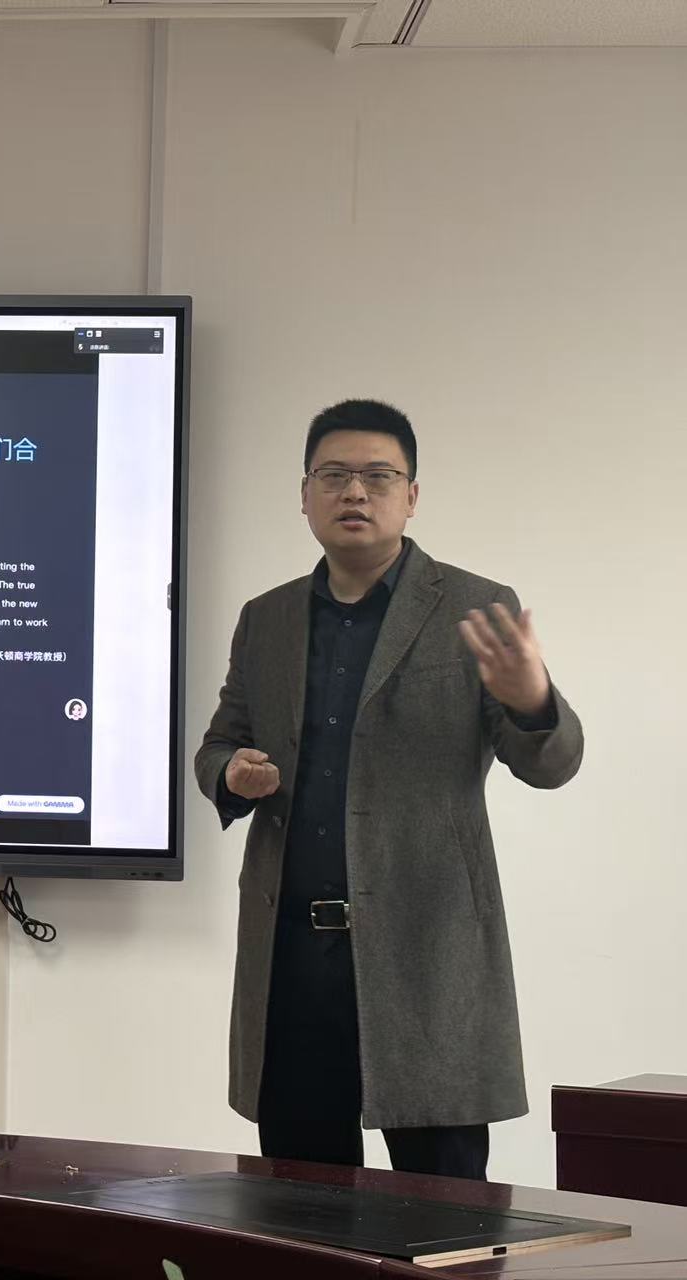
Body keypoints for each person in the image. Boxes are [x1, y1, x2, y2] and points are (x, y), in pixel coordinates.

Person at [195, 399, 582, 1180]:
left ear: (411, 495)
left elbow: (549, 763)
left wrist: (531, 699)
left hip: (426, 954)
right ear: (303, 494)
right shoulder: (266, 619)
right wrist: (230, 773)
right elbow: (218, 743)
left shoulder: (474, 607)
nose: (353, 492)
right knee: (298, 1206)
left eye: (377, 476)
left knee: (441, 1213)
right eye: (333, 475)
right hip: (292, 959)